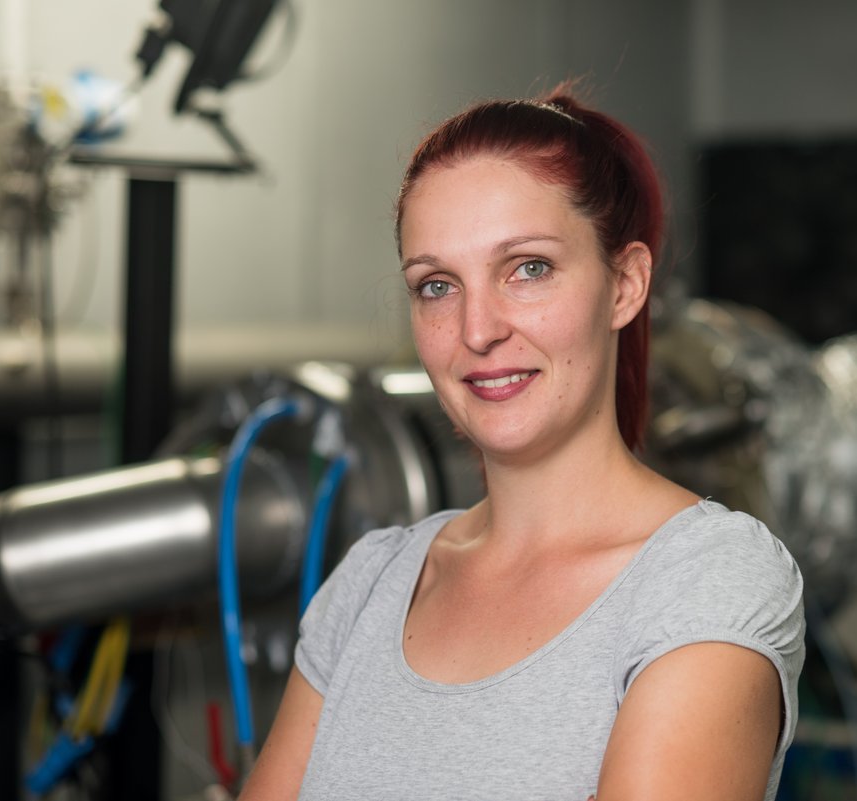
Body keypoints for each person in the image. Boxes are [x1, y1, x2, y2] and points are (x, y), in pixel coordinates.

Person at [239, 86, 805, 801]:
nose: (478, 329)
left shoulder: (704, 579)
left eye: (527, 268)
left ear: (626, 284)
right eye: (438, 285)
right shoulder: (372, 584)